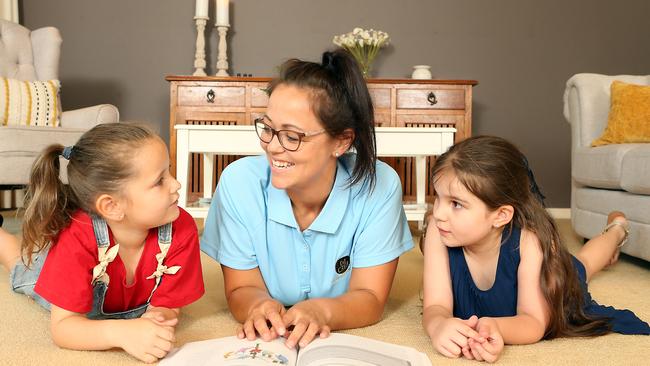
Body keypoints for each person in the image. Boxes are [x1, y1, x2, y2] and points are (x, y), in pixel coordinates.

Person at [201, 49, 414, 349]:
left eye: (292, 136)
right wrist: (257, 306)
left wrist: (323, 311)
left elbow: (371, 297)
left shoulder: (380, 186)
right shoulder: (238, 184)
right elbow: (242, 287)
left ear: (341, 141)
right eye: (268, 128)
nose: (273, 147)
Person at [422, 135, 650, 362]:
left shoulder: (529, 243)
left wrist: (496, 327)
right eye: (438, 198)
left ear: (500, 215)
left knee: (582, 265)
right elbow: (436, 305)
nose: (439, 213)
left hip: (552, 273)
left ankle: (617, 228)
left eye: (456, 204)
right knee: (581, 262)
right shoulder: (437, 229)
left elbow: (533, 322)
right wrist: (438, 325)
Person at [0, 123, 205, 363]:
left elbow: (169, 302)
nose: (176, 184)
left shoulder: (181, 227)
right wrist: (120, 333)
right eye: (160, 181)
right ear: (112, 206)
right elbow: (63, 328)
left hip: (79, 266)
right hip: (64, 269)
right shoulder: (77, 237)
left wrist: (160, 315)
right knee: (24, 268)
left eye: (168, 171)